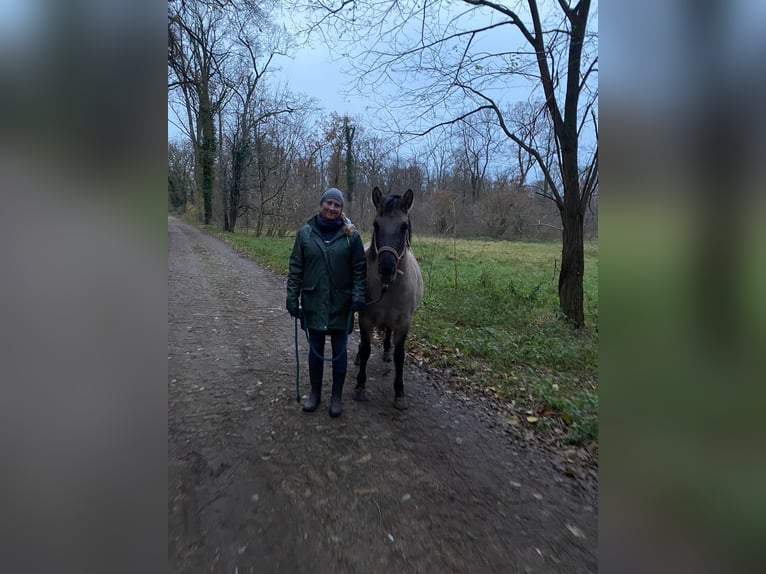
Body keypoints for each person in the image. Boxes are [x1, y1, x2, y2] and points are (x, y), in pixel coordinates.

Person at [286, 188, 366, 417]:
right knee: (315, 352)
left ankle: (337, 397)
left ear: (341, 210)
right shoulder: (305, 234)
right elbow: (295, 269)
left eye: (337, 205)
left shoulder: (352, 237)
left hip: (341, 305)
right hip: (312, 303)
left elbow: (359, 270)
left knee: (340, 353)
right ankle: (315, 394)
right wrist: (292, 298)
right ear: (321, 204)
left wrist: (358, 296)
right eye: (328, 203)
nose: (332, 208)